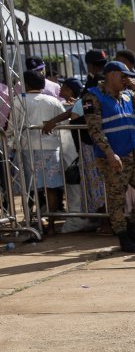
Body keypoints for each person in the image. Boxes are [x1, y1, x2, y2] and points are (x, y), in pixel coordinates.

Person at [82, 61, 135, 253]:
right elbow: (95, 129)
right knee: (117, 198)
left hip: (134, 152)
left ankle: (133, 227)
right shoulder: (93, 97)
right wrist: (109, 153)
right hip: (113, 156)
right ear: (111, 75)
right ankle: (123, 237)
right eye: (123, 76)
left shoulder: (127, 95)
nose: (126, 80)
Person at [7, 70, 67, 232]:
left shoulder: (19, 101)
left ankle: (28, 221)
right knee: (51, 187)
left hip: (28, 148)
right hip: (51, 148)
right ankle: (51, 225)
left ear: (26, 84)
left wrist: (11, 144)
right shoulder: (53, 101)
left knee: (29, 187)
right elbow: (65, 123)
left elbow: (12, 126)